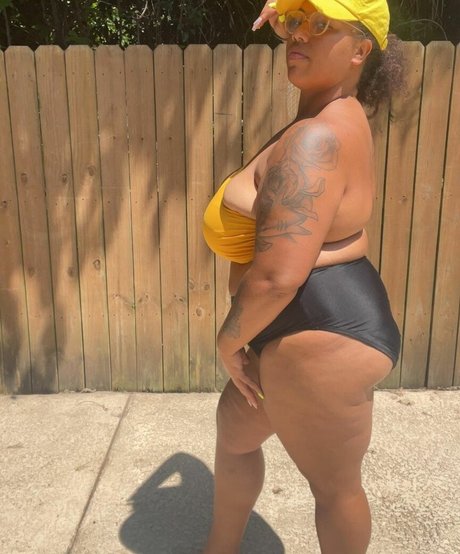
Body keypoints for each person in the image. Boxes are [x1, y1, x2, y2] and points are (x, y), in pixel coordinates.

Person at [202, 0, 404, 552]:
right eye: (294, 22)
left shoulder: (317, 138)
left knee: (334, 490)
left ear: (360, 49)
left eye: (321, 25)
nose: (299, 35)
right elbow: (329, 232)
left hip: (320, 335)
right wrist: (288, 11)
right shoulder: (332, 117)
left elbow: (276, 278)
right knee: (234, 436)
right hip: (300, 323)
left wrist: (227, 341)